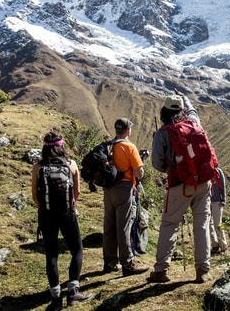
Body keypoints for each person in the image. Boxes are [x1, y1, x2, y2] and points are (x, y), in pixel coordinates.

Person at [148, 92, 213, 284]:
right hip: (203, 183)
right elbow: (192, 110)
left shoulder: (162, 133)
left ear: (164, 112)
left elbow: (157, 164)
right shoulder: (194, 122)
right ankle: (203, 271)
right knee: (201, 224)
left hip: (179, 185)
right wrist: (184, 97)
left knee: (170, 224)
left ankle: (161, 270)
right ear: (183, 110)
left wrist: (172, 167)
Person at [31, 131, 92, 310]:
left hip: (46, 214)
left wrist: (43, 207)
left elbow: (35, 194)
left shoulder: (38, 167)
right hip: (67, 213)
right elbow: (77, 192)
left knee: (51, 254)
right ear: (61, 146)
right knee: (77, 249)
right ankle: (73, 292)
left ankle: (56, 298)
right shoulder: (71, 164)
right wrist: (70, 206)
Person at [102, 118, 150, 276]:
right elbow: (139, 172)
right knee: (124, 226)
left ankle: (109, 262)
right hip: (124, 188)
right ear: (128, 131)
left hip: (108, 190)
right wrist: (141, 162)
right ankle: (128, 264)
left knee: (109, 226)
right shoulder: (129, 147)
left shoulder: (109, 145)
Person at [209, 167, 228, 255]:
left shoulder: (218, 171)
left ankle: (224, 246)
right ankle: (215, 245)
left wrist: (223, 199)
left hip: (217, 201)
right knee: (209, 224)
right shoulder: (203, 170)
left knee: (218, 224)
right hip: (206, 201)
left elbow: (223, 185)